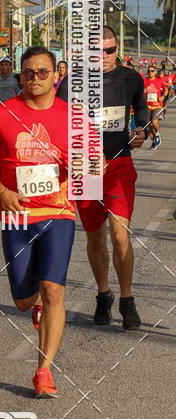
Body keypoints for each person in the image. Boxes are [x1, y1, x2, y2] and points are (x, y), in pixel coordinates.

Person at [0, 46, 79, 398]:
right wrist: (2, 192)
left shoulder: (72, 117)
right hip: (16, 214)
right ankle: (35, 308)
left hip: (57, 213)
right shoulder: (3, 115)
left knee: (53, 290)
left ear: (54, 76)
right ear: (20, 75)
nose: (35, 78)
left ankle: (43, 371)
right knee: (22, 299)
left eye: (43, 72)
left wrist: (88, 168)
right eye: (29, 72)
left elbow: (96, 162)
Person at [57, 26, 149, 329]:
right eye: (99, 51)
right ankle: (103, 293)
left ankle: (127, 299)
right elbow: (58, 124)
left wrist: (141, 132)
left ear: (117, 49)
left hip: (120, 165)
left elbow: (142, 112)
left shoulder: (131, 79)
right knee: (95, 236)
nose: (106, 56)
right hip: (86, 169)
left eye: (111, 50)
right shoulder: (71, 84)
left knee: (119, 233)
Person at [144, 65, 167, 149]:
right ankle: (154, 142)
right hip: (147, 106)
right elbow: (141, 92)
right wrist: (144, 91)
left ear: (155, 72)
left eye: (152, 71)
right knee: (149, 127)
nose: (150, 72)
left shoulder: (159, 80)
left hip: (157, 105)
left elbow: (166, 90)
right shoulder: (145, 81)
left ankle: (157, 135)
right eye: (149, 71)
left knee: (154, 122)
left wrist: (163, 96)